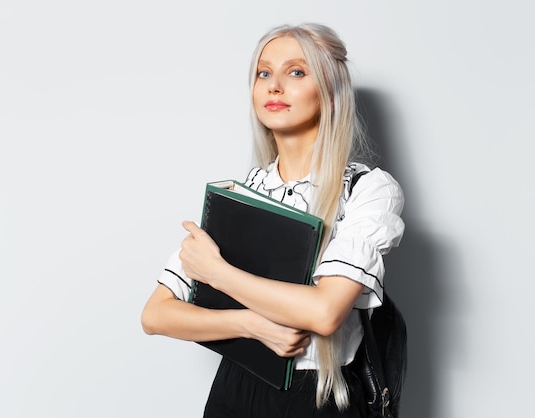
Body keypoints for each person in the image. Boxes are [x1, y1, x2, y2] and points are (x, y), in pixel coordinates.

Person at [141, 22, 405, 417]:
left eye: (296, 72)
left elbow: (324, 312)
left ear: (331, 91)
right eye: (264, 73)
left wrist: (217, 272)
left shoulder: (368, 189)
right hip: (235, 388)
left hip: (321, 396)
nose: (273, 86)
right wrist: (250, 325)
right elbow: (155, 314)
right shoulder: (240, 195)